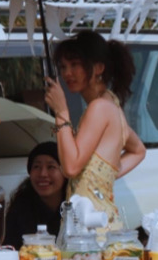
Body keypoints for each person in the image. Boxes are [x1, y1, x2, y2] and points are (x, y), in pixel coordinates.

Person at [44, 31, 146, 230]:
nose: (67, 73)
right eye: (63, 67)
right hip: (96, 220)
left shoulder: (99, 108)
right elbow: (138, 150)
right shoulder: (110, 103)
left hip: (92, 228)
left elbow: (71, 167)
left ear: (98, 67)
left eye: (75, 65)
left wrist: (61, 111)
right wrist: (101, 176)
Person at [3, 142, 68, 249]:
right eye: (37, 167)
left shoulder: (75, 207)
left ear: (65, 173)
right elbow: (9, 249)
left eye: (51, 167)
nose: (43, 174)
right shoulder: (20, 209)